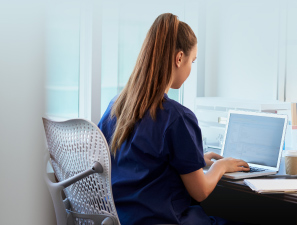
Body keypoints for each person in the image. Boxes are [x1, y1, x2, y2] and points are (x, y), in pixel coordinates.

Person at [98, 13, 250, 225]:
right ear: (179, 58)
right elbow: (201, 191)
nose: (190, 68)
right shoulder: (177, 117)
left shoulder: (116, 107)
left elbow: (140, 163)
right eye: (192, 61)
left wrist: (196, 161)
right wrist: (221, 166)